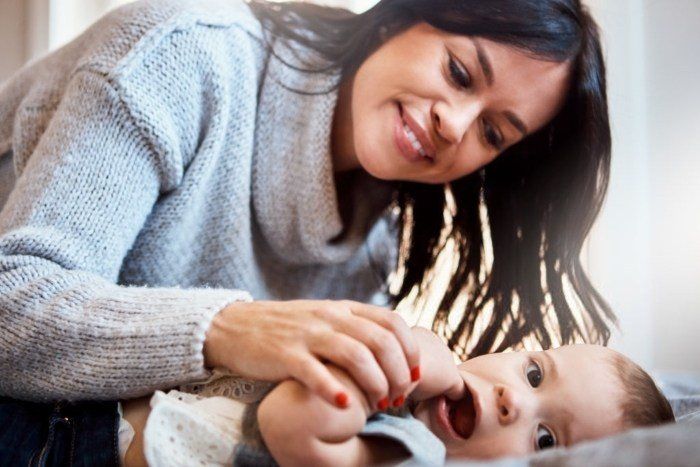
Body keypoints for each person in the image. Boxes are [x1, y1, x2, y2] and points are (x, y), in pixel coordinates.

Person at [0, 0, 612, 463]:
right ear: (403, 15)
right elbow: (10, 306)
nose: (455, 126)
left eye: (494, 134)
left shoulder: (372, 246)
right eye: (458, 72)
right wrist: (229, 328)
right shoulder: (184, 53)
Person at [118, 327, 674, 466]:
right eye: (534, 374)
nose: (514, 401)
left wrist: (407, 357)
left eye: (546, 437)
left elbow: (288, 422)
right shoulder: (410, 412)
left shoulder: (411, 452)